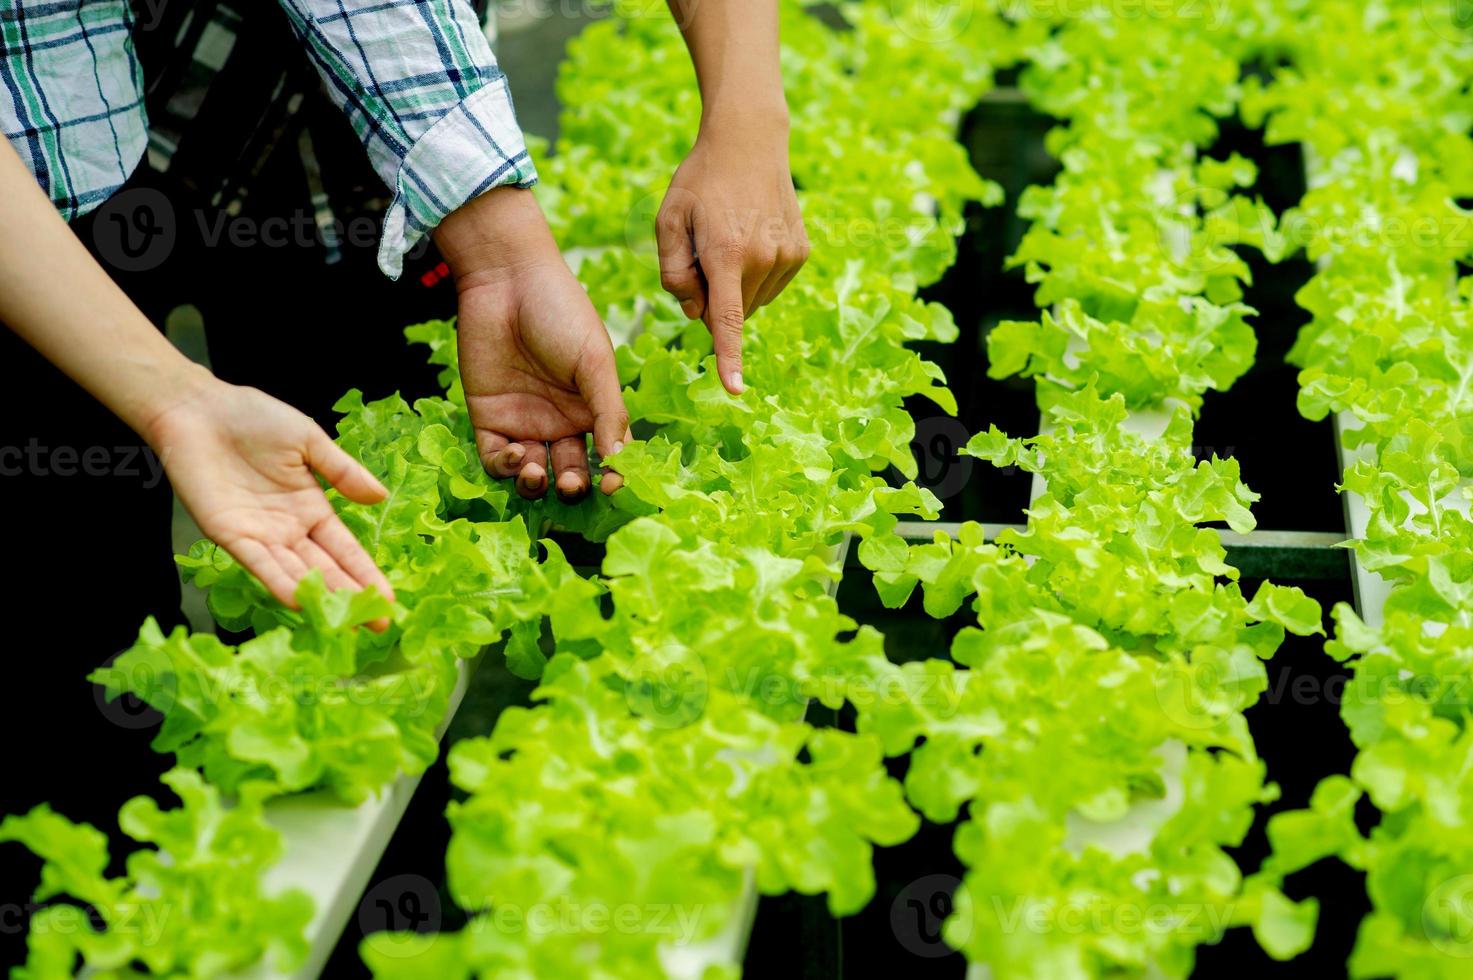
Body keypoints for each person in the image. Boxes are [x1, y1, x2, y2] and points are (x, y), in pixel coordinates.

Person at [0, 0, 806, 960]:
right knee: (69, 651)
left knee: (380, 615)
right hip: (53, 152)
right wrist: (171, 396)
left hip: (336, 135)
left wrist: (507, 255)